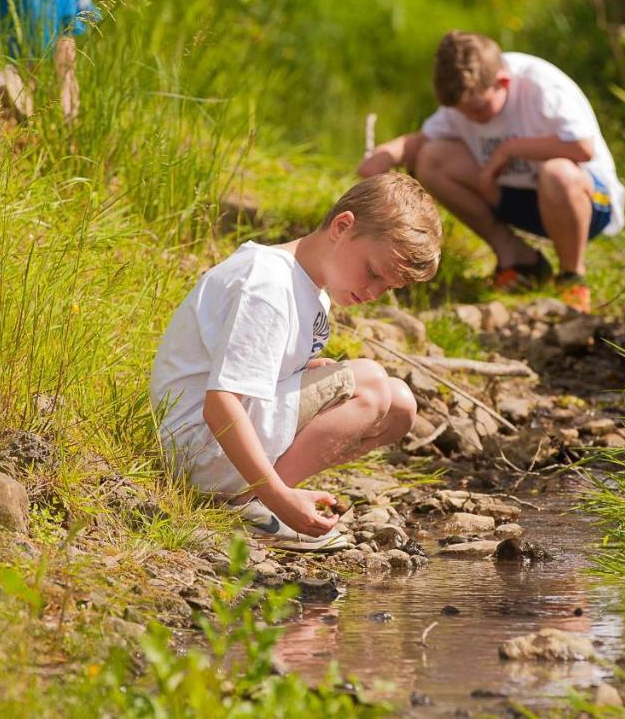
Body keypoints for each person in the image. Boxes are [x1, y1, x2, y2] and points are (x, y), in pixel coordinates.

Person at [150, 174, 441, 552]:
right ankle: (256, 506)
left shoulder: (313, 293)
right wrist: (279, 497)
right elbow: (220, 403)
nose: (373, 293)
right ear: (342, 226)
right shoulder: (268, 284)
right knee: (369, 383)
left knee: (399, 405)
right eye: (372, 272)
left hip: (216, 450)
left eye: (387, 288)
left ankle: (252, 502)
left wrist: (301, 374)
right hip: (198, 447)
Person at [358, 30, 625, 313]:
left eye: (479, 110)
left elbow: (582, 148)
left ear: (503, 83)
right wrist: (384, 155)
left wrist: (508, 150)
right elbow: (421, 140)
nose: (471, 119)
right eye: (462, 112)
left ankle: (572, 277)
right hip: (518, 198)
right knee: (432, 158)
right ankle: (519, 260)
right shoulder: (466, 95)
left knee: (556, 173)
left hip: (588, 203)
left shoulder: (541, 86)